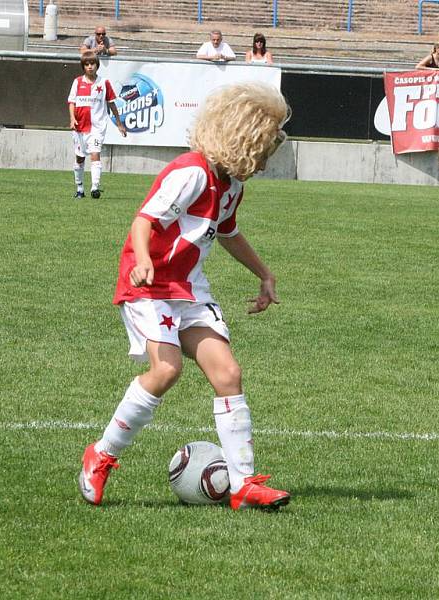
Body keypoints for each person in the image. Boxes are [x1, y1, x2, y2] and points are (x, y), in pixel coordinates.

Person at [77, 81, 291, 511]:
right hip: (148, 287)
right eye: (265, 152)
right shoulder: (190, 172)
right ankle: (101, 455)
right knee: (166, 370)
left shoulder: (231, 185)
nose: (266, 163)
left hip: (189, 288)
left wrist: (264, 274)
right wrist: (142, 260)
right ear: (243, 140)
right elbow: (143, 221)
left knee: (228, 373)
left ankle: (244, 483)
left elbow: (227, 232)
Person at [67, 51, 127, 199]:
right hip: (80, 127)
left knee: (95, 154)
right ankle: (80, 188)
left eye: (92, 64)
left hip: (97, 127)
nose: (90, 67)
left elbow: (111, 103)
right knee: (80, 158)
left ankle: (95, 187)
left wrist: (119, 124)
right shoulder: (77, 82)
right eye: (86, 64)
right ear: (83, 66)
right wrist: (72, 118)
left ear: (97, 65)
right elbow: (71, 102)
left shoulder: (104, 83)